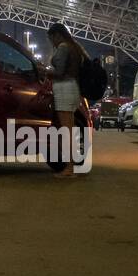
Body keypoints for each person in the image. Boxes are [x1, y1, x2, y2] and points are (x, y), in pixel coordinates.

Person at [44, 23, 86, 177]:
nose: (52, 43)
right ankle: (71, 166)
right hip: (73, 88)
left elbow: (60, 72)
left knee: (66, 130)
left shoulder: (63, 47)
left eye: (51, 39)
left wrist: (45, 71)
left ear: (57, 35)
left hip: (64, 89)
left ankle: (69, 168)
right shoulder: (75, 47)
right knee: (68, 129)